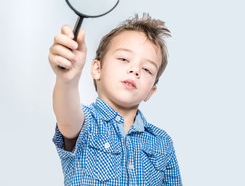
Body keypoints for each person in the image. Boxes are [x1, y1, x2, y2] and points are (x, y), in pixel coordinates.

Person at [48, 13, 182, 185]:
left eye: (147, 69)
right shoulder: (86, 123)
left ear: (151, 91)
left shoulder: (162, 142)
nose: (135, 70)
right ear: (97, 69)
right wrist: (67, 80)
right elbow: (66, 115)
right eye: (124, 59)